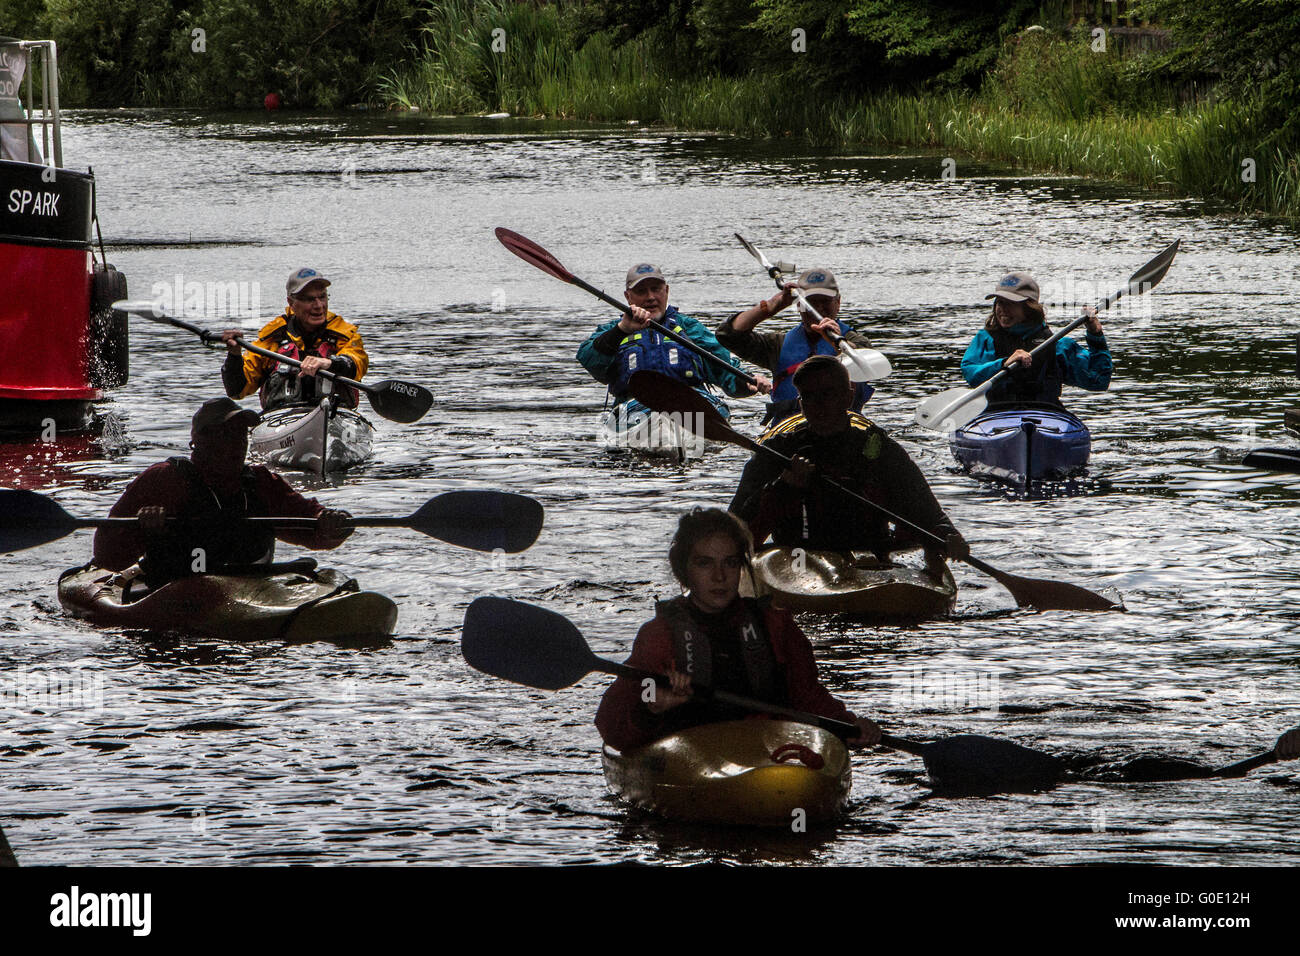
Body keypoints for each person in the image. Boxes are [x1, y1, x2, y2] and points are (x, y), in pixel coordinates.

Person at [594, 508, 881, 753]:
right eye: (704, 563)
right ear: (683, 570)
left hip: (766, 753)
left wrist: (847, 725)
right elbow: (611, 728)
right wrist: (651, 706)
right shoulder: (660, 636)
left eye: (730, 563)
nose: (719, 576)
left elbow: (808, 698)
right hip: (693, 756)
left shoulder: (775, 625)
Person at [730, 355, 966, 579]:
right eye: (808, 396)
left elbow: (923, 508)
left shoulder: (878, 449)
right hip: (799, 561)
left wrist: (947, 534)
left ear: (848, 396)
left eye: (827, 394)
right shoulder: (777, 452)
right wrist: (784, 487)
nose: (817, 404)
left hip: (869, 561)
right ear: (800, 402)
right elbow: (735, 529)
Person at [93, 397, 353, 585]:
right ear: (201, 442)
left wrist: (330, 523)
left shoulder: (260, 482)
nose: (238, 444)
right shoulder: (165, 479)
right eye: (227, 435)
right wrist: (143, 529)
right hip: (174, 588)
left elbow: (308, 523)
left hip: (248, 587)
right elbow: (108, 554)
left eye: (242, 435)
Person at [576, 262, 770, 421]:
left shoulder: (689, 328)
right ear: (628, 297)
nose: (650, 297)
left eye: (656, 289)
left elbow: (725, 368)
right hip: (634, 411)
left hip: (691, 405)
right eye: (641, 291)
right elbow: (588, 359)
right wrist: (622, 330)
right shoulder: (614, 330)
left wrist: (748, 383)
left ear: (666, 291)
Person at [716, 267, 873, 425]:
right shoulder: (777, 346)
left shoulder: (857, 343)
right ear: (799, 305)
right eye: (810, 302)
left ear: (837, 303)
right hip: (791, 430)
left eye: (825, 301)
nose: (818, 308)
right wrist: (771, 306)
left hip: (843, 427)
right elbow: (728, 335)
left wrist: (837, 344)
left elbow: (867, 365)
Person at [221, 267, 369, 412]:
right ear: (291, 303)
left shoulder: (345, 334)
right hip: (282, 420)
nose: (319, 306)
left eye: (322, 297)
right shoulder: (272, 339)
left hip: (337, 415)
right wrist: (234, 355)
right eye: (309, 299)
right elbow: (237, 390)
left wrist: (330, 363)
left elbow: (357, 361)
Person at [961, 271, 1111, 407]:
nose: (1002, 309)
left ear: (1029, 307)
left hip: (1045, 415)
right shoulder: (986, 340)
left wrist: (1095, 335)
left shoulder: (1057, 345)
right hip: (996, 415)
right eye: (1000, 302)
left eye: (1011, 304)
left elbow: (1099, 381)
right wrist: (1003, 363)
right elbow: (971, 374)